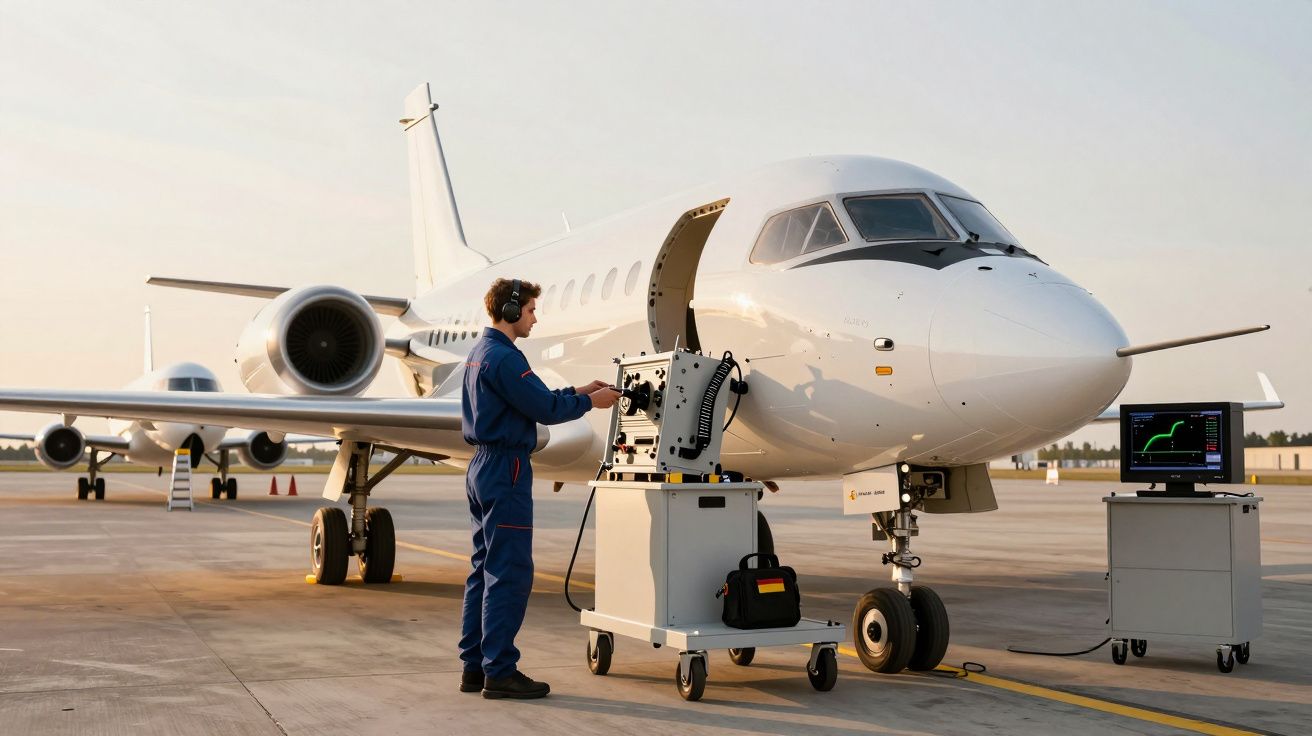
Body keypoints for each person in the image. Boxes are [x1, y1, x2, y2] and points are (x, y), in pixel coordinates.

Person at [458, 277, 620, 700]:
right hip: (506, 468)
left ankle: (474, 667)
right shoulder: (506, 358)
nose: (534, 317)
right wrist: (592, 404)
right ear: (511, 311)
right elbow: (545, 409)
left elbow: (533, 398)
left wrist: (580, 390)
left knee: (483, 569)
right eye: (530, 310)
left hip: (482, 466)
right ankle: (501, 671)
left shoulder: (481, 354)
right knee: (509, 572)